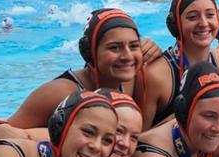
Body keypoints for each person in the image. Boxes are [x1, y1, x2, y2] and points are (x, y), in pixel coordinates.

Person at [9, 9, 145, 127]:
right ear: (90, 52)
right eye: (114, 47)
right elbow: (0, 134)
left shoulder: (131, 80)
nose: (127, 56)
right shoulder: (59, 92)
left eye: (134, 46)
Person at [139, 0, 219, 130]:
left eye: (210, 15)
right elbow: (136, 141)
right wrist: (179, 120)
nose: (204, 23)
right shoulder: (156, 74)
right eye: (192, 17)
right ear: (175, 25)